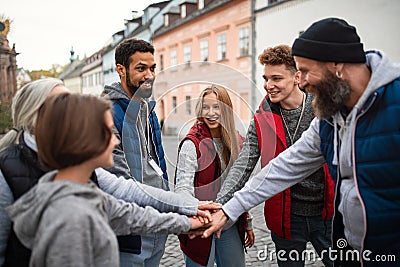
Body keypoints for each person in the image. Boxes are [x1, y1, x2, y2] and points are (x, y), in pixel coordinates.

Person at [202, 18, 400, 266]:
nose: (303, 81)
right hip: (336, 243)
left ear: (337, 64)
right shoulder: (329, 118)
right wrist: (228, 208)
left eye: (306, 71)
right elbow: (283, 167)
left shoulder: (392, 103)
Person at [0, 78, 219, 267]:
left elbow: (125, 210)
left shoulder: (73, 181)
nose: (116, 140)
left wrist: (188, 216)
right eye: (108, 131)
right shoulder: (68, 214)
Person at [215, 45, 334, 266]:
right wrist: (221, 204)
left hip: (328, 214)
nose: (268, 85)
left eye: (276, 78)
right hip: (286, 219)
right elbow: (243, 165)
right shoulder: (262, 118)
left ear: (297, 77)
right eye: (266, 78)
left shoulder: (323, 109)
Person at [102, 38, 170, 266]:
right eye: (141, 68)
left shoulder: (147, 107)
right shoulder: (107, 114)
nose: (149, 75)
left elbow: (159, 162)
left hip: (157, 222)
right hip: (132, 230)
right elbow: (118, 179)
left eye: (152, 68)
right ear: (120, 70)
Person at [174, 86, 255, 267]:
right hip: (200, 226)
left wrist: (247, 223)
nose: (210, 113)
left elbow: (240, 187)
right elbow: (182, 188)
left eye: (216, 107)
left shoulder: (237, 141)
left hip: (229, 223)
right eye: (206, 107)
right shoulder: (192, 143)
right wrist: (197, 215)